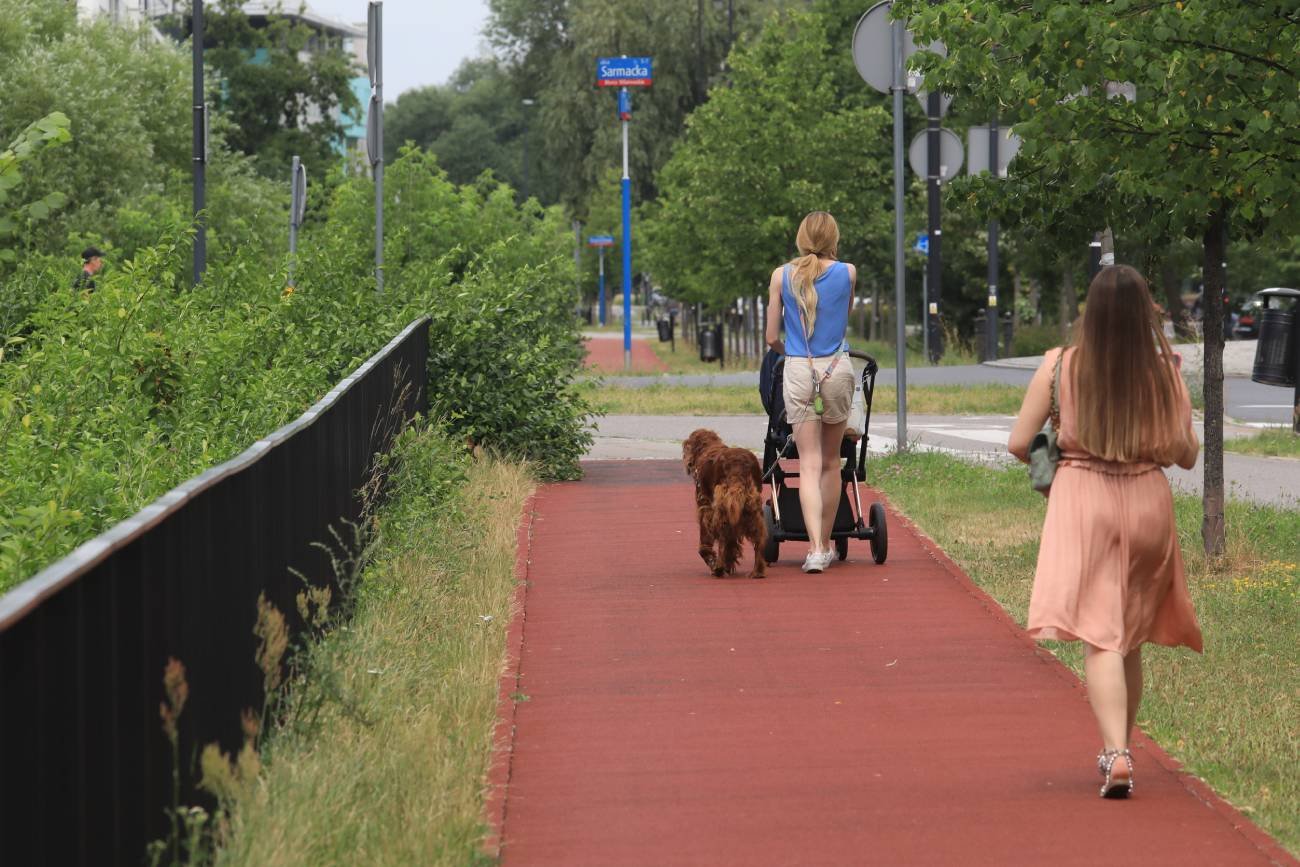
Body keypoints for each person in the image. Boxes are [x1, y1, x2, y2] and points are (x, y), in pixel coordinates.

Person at [1008, 264, 1202, 799]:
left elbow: (1020, 441)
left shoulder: (1059, 365)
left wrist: (1056, 457)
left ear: (1089, 312)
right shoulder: (1164, 371)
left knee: (1101, 633)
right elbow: (1186, 454)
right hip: (1147, 501)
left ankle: (1116, 754)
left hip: (1084, 496)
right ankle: (1120, 748)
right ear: (1146, 313)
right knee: (1129, 633)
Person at [764, 211, 856, 574]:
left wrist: (791, 353)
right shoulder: (848, 272)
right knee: (832, 462)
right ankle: (827, 544)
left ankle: (814, 549)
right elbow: (844, 317)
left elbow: (771, 337)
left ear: (802, 237)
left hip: (800, 369)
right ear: (834, 237)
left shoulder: (781, 275)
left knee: (808, 463)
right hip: (836, 368)